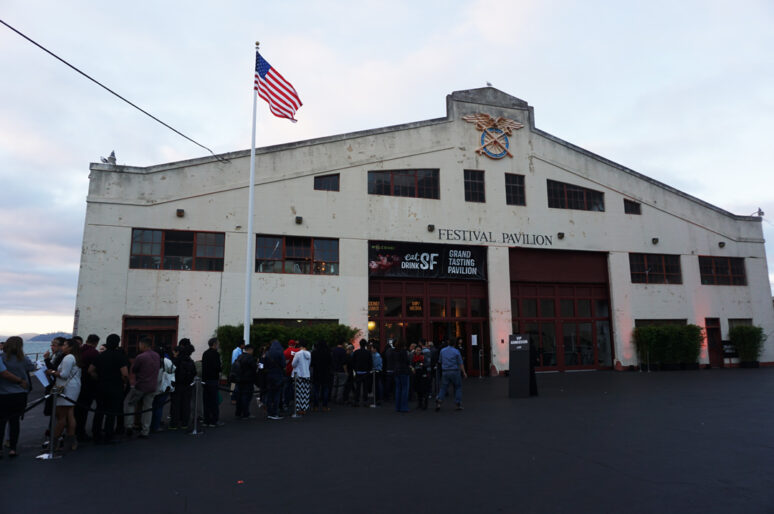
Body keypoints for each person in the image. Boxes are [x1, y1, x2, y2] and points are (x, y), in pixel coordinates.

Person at [89, 333, 129, 444]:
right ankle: (108, 434)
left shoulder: (100, 355)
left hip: (101, 386)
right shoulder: (120, 356)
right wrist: (124, 383)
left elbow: (91, 370)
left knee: (99, 410)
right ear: (118, 343)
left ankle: (96, 433)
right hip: (115, 387)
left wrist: (98, 378)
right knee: (112, 412)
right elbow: (125, 374)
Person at [0, 337, 35, 458]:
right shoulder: (24, 359)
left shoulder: (2, 358)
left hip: (3, 394)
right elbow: (32, 368)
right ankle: (13, 448)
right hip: (19, 394)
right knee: (15, 422)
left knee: (1, 422)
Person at [47, 338, 82, 451]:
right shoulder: (75, 357)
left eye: (65, 345)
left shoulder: (68, 358)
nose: (63, 347)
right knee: (70, 414)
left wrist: (51, 372)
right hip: (74, 387)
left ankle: (54, 443)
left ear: (70, 347)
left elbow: (64, 374)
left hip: (66, 388)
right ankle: (72, 440)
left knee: (61, 417)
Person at [125, 337, 160, 438]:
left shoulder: (141, 357)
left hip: (141, 385)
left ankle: (129, 426)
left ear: (143, 345)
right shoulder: (156, 355)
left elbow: (134, 369)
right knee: (148, 408)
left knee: (131, 404)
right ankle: (145, 430)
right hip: (152, 385)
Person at [75, 333, 100, 442]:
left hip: (76, 382)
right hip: (88, 384)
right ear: (96, 342)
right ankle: (81, 432)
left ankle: (73, 430)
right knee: (84, 410)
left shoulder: (79, 350)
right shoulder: (94, 353)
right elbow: (95, 369)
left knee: (76, 409)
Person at [170, 342, 197, 430]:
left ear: (178, 352)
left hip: (177, 385)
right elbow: (194, 373)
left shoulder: (176, 361)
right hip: (188, 385)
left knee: (175, 405)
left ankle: (174, 424)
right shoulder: (190, 361)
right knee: (186, 404)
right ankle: (184, 423)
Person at [436, 340, 467, 411]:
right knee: (457, 387)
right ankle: (458, 404)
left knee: (443, 387)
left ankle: (439, 400)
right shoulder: (456, 351)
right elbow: (460, 363)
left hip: (445, 371)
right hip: (455, 371)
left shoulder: (442, 351)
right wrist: (464, 372)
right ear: (455, 344)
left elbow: (440, 361)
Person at [151, 345, 176, 432]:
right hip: (164, 387)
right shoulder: (167, 361)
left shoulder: (152, 360)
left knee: (151, 406)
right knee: (159, 407)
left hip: (152, 386)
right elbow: (173, 370)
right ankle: (156, 425)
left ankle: (149, 424)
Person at [201, 337, 223, 427]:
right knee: (214, 401)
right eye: (218, 343)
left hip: (205, 380)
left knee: (206, 401)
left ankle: (207, 420)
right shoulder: (215, 354)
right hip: (213, 379)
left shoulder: (205, 353)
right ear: (214, 344)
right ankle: (214, 420)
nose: (219, 345)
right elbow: (217, 367)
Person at [233, 344, 257, 419]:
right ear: (250, 350)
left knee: (239, 397)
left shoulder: (240, 356)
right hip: (248, 380)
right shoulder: (250, 358)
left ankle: (238, 412)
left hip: (239, 380)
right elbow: (254, 368)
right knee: (246, 397)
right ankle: (245, 413)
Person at [264, 340, 285, 420]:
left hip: (269, 376)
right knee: (277, 395)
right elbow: (283, 364)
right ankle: (275, 413)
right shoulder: (280, 352)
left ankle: (269, 412)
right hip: (278, 375)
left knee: (269, 394)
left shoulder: (267, 353)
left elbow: (263, 365)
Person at [310, 340, 332, 411]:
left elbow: (312, 364)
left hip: (317, 373)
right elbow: (330, 363)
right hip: (326, 374)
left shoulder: (314, 353)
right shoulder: (328, 353)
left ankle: (315, 406)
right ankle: (325, 406)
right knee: (325, 390)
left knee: (316, 390)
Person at [291, 341, 311, 415]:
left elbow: (293, 364)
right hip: (306, 374)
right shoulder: (309, 354)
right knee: (305, 392)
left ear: (300, 346)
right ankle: (304, 408)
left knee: (298, 392)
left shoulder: (298, 354)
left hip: (298, 374)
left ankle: (298, 408)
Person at [393, 339, 411, 413]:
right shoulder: (403, 352)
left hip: (397, 371)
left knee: (398, 389)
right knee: (404, 389)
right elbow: (407, 361)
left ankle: (397, 406)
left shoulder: (395, 351)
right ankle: (404, 407)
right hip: (404, 371)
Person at [411, 345, 430, 410]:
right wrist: (412, 368)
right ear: (415, 350)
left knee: (424, 390)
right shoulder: (413, 357)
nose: (418, 351)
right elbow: (411, 365)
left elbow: (427, 364)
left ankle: (425, 404)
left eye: (419, 350)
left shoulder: (423, 357)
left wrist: (423, 365)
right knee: (418, 390)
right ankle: (420, 404)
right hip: (416, 375)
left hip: (423, 375)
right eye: (417, 350)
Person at [230, 340, 245, 405]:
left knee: (236, 385)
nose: (244, 345)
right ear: (241, 345)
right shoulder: (237, 351)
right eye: (244, 344)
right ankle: (233, 399)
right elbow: (235, 361)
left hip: (236, 370)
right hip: (236, 370)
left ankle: (235, 398)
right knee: (235, 385)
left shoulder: (237, 350)